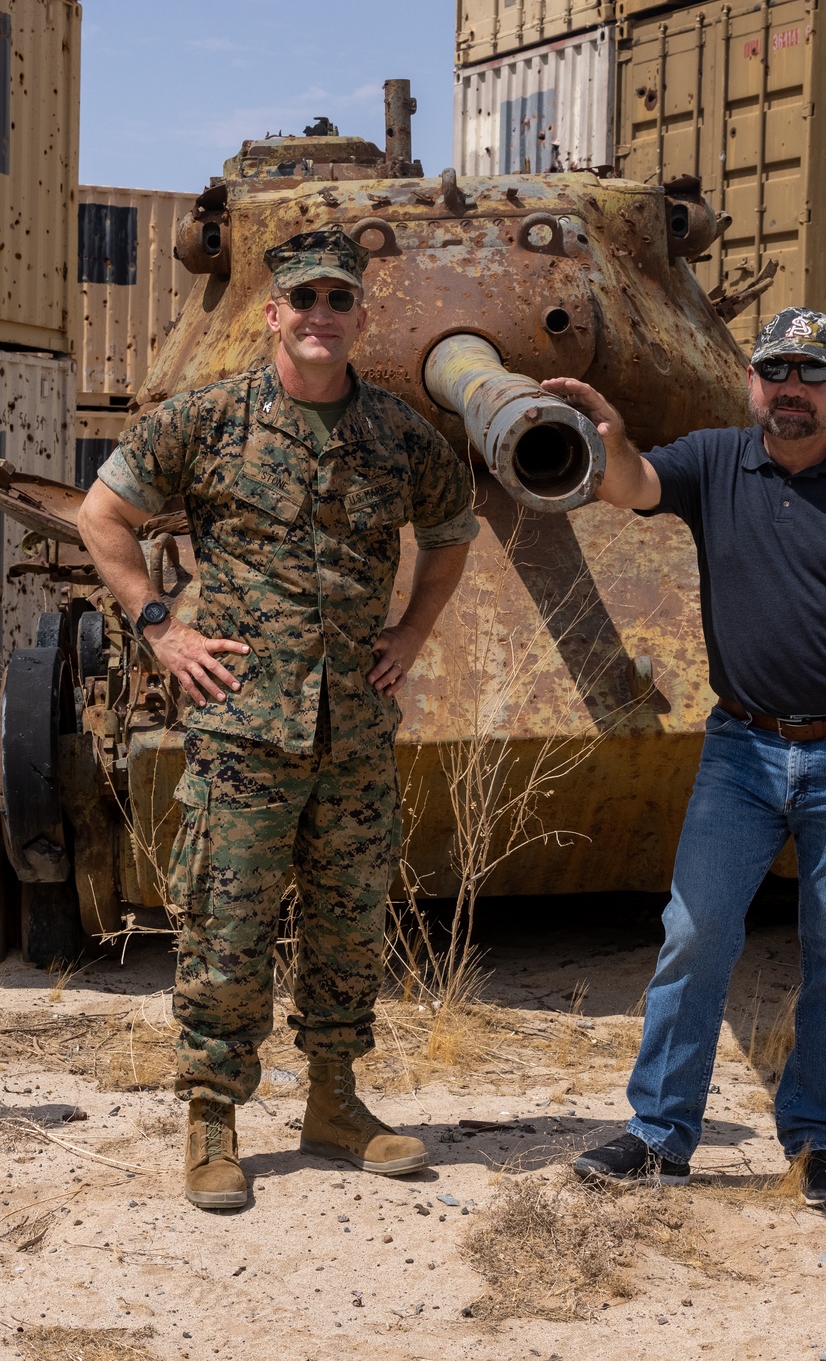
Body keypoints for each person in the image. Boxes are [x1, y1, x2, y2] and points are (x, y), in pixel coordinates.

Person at [78, 227, 478, 1209]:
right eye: (303, 299)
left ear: (358, 318)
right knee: (228, 922)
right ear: (272, 314)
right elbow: (102, 515)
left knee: (348, 924)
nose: (319, 315)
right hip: (243, 727)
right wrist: (162, 629)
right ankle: (212, 1116)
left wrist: (414, 631)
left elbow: (453, 527)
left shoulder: (395, 433)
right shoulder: (206, 421)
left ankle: (334, 1103)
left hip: (353, 733)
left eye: (338, 299)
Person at [542, 307, 826, 1211]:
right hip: (742, 746)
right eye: (776, 372)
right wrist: (610, 438)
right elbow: (634, 486)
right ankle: (660, 1134)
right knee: (694, 935)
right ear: (753, 384)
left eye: (812, 374)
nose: (793, 391)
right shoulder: (714, 460)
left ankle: (817, 1142)